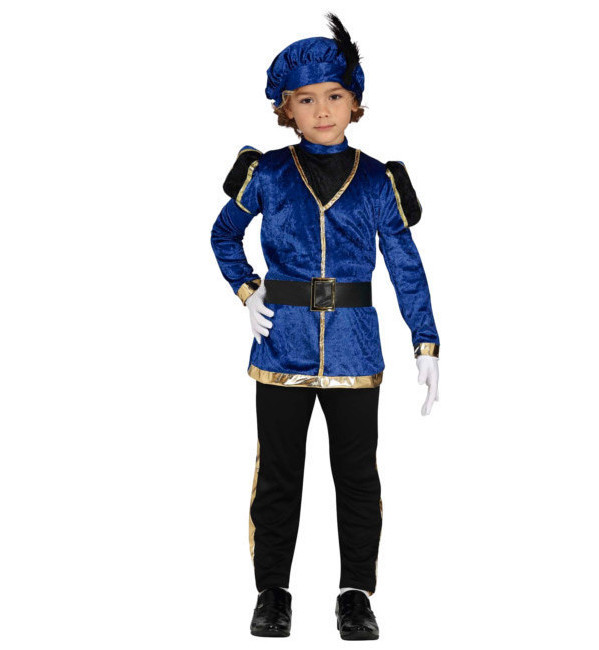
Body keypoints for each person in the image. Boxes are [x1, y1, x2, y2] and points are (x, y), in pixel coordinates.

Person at [210, 13, 440, 640]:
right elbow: (224, 235)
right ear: (285, 108)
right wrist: (247, 290)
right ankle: (272, 592)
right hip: (280, 344)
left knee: (357, 475)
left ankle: (355, 594)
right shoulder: (268, 172)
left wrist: (425, 342)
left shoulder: (379, 180)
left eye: (334, 95)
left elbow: (405, 266)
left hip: (353, 349)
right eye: (306, 99)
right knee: (279, 474)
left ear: (355, 101)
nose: (322, 110)